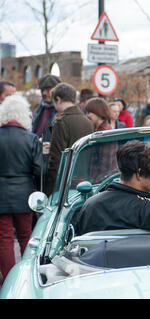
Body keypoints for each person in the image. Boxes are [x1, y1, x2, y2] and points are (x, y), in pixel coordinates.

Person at [0, 95, 42, 285]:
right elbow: (39, 170)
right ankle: (27, 278)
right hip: (25, 194)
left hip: (1, 193)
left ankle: (9, 280)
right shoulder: (31, 139)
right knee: (26, 235)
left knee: (5, 238)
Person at [44, 83, 95, 195]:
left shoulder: (61, 122)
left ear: (58, 99)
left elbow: (56, 159)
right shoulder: (88, 121)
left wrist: (49, 190)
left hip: (63, 184)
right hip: (83, 181)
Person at [31, 74, 61, 181]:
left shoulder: (61, 112)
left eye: (48, 89)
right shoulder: (38, 110)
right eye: (42, 90)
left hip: (51, 165)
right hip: (37, 161)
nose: (44, 93)